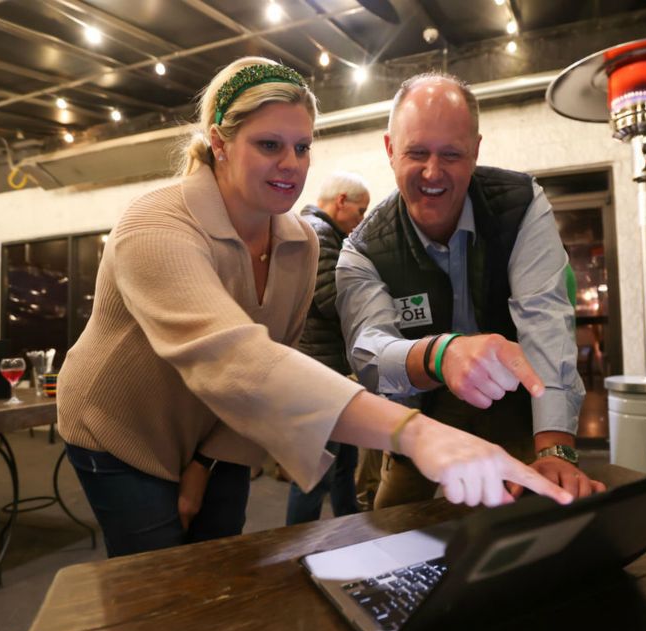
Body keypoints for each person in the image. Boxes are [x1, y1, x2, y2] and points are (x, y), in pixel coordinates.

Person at [56, 57, 573, 558]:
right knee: (158, 573)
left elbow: (263, 367)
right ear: (219, 143)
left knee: (222, 561)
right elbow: (236, 362)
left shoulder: (299, 243)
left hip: (217, 424)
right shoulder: (154, 225)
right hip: (123, 426)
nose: (291, 164)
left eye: (302, 147)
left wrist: (204, 462)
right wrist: (414, 431)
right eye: (268, 144)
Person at [336, 73, 606, 510]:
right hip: (420, 421)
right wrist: (442, 355)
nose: (432, 173)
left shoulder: (520, 205)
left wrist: (555, 448)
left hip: (514, 409)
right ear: (390, 150)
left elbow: (545, 321)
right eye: (417, 153)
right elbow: (369, 357)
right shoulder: (363, 249)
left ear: (476, 151)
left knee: (534, 525)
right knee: (393, 529)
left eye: (452, 154)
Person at [286, 172, 371, 525]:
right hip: (319, 369)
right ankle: (298, 544)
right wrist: (371, 299)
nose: (361, 219)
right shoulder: (319, 234)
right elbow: (329, 297)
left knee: (341, 463)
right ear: (341, 202)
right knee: (316, 469)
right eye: (360, 210)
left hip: (327, 367)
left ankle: (348, 525)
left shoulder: (323, 233)